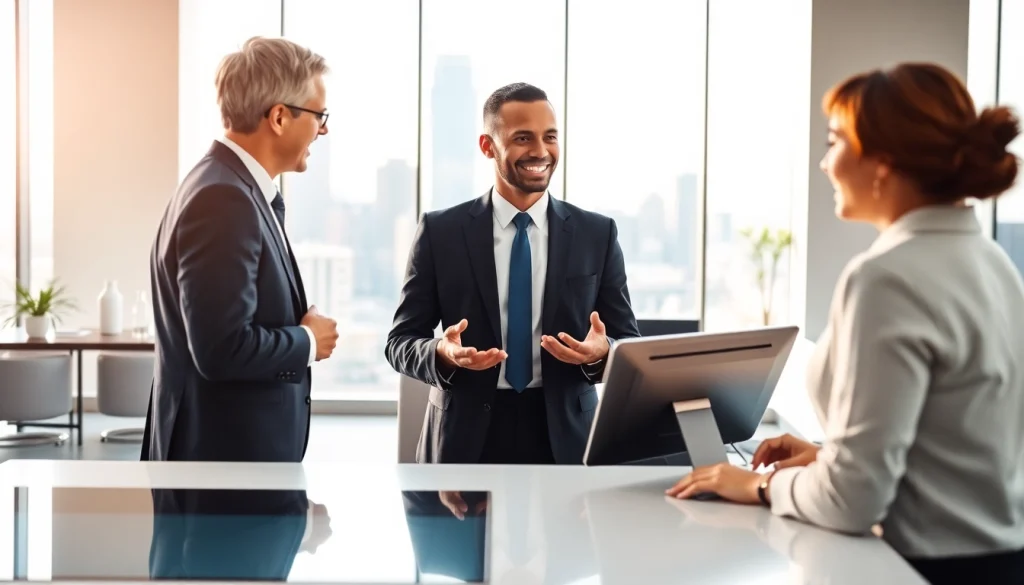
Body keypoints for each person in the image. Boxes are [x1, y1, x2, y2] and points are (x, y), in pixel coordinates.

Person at [667, 62, 1024, 584]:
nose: (825, 163)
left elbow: (853, 501)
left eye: (835, 141)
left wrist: (757, 487)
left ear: (881, 163)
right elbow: (960, 441)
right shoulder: (992, 262)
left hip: (920, 570)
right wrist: (827, 457)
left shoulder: (888, 278)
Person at [386, 82, 640, 466]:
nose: (540, 151)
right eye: (523, 138)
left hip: (568, 442)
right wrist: (442, 353)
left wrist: (601, 354)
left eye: (550, 137)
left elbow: (628, 344)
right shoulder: (441, 232)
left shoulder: (597, 234)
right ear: (488, 146)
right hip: (464, 443)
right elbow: (401, 342)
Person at [140, 37, 339, 463]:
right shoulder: (223, 198)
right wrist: (308, 340)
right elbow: (221, 348)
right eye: (319, 115)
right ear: (280, 117)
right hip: (222, 472)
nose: (324, 129)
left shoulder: (226, 186)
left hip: (226, 465)